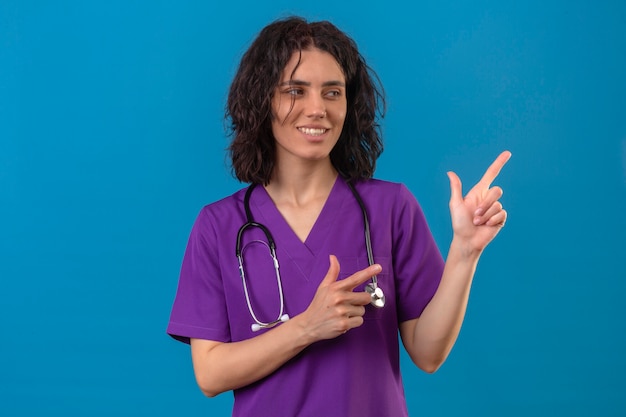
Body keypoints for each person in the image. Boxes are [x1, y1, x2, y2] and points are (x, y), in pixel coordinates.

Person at [167, 15, 511, 416]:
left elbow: (429, 353)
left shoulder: (390, 208)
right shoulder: (219, 226)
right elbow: (209, 374)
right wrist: (306, 328)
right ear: (263, 101)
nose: (317, 109)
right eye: (296, 90)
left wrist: (465, 252)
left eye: (332, 93)